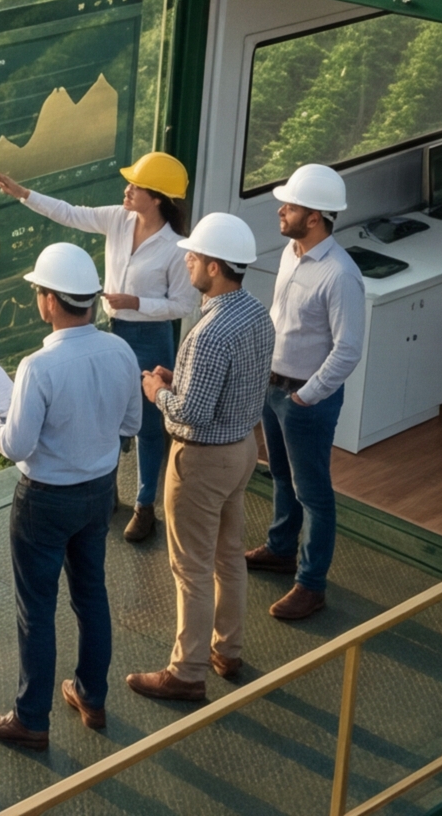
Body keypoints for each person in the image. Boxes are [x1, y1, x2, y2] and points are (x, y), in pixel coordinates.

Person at [0, 243, 144, 749]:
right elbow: (132, 423)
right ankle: (91, 696)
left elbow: (17, 445)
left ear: (49, 301)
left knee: (37, 608)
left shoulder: (37, 367)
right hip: (99, 493)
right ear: (89, 299)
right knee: (91, 594)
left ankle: (31, 719)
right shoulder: (120, 350)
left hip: (44, 501)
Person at [0, 151, 198, 543]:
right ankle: (106, 486)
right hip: (112, 329)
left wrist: (136, 303)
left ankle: (144, 505)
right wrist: (24, 194)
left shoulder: (177, 247)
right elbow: (71, 213)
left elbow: (183, 306)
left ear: (156, 198)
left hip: (151, 336)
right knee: (106, 408)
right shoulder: (118, 219)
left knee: (150, 428)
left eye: (135, 186)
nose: (127, 189)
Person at [126, 213, 276, 703]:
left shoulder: (208, 333)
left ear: (214, 267)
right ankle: (227, 649)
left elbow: (188, 414)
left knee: (190, 569)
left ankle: (187, 672)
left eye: (193, 256)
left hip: (203, 463)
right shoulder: (255, 314)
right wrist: (180, 382)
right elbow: (231, 388)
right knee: (228, 556)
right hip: (243, 453)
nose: (186, 260)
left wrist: (156, 391)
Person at [249, 162, 366, 622]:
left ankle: (310, 584)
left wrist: (305, 396)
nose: (281, 210)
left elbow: (348, 350)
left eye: (290, 205)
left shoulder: (340, 274)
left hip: (303, 400)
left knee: (313, 491)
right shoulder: (291, 254)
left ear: (314, 216)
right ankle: (281, 549)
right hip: (274, 388)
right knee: (280, 474)